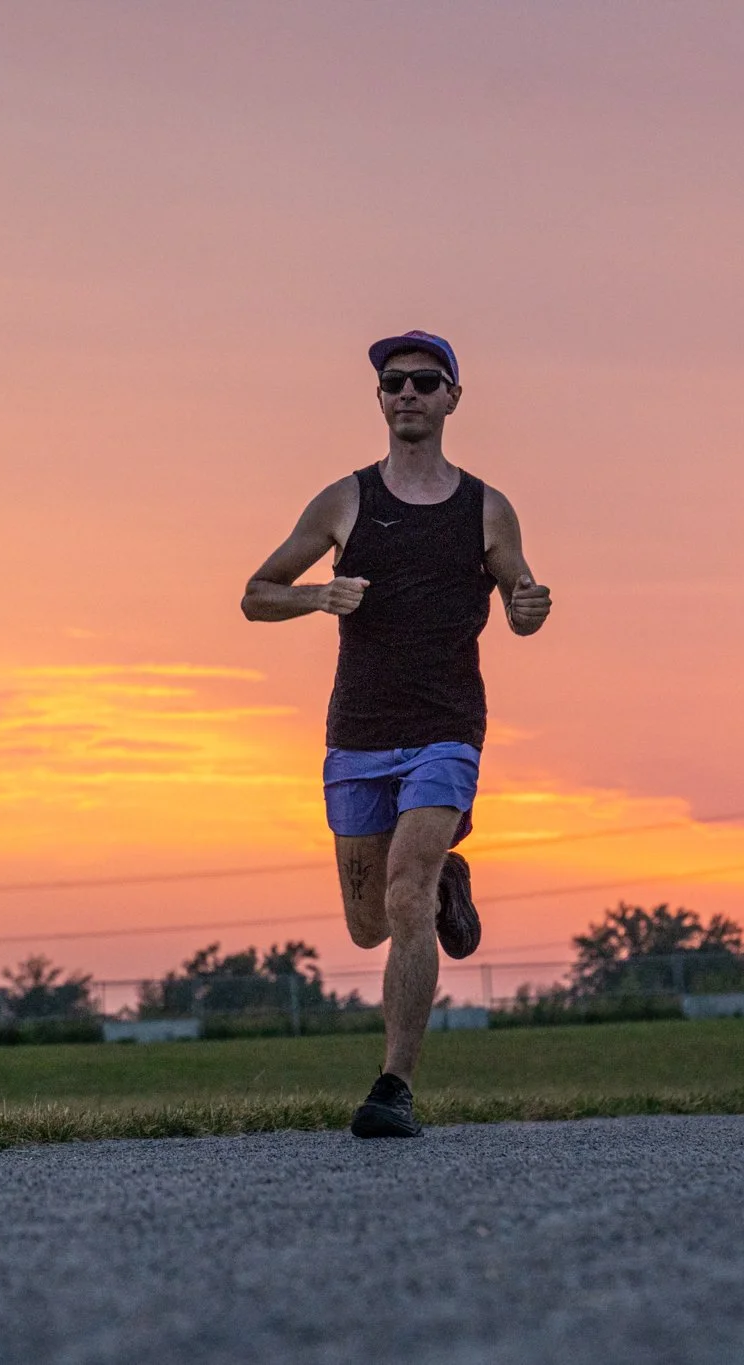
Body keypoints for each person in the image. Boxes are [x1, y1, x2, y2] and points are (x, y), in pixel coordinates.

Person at [241, 330, 551, 1138]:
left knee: (404, 890)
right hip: (358, 734)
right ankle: (449, 879)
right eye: (393, 382)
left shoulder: (486, 508)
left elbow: (521, 602)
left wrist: (527, 606)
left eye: (423, 380)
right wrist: (318, 597)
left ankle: (394, 1087)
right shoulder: (345, 501)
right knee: (369, 921)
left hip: (447, 729)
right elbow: (256, 593)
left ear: (452, 398)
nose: (407, 392)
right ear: (380, 400)